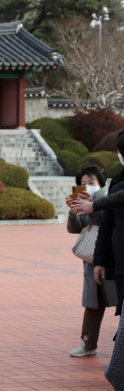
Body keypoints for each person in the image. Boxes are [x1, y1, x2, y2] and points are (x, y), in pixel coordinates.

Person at [65, 166, 118, 356]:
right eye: (83, 184)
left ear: (102, 184)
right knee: (93, 302)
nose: (87, 187)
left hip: (113, 259)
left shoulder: (112, 198)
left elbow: (108, 223)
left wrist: (93, 208)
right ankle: (87, 343)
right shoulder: (82, 201)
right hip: (91, 260)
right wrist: (73, 212)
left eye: (91, 183)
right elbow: (74, 229)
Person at [93, 134, 124, 331]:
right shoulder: (118, 183)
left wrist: (94, 205)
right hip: (121, 262)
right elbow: (106, 225)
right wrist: (100, 260)